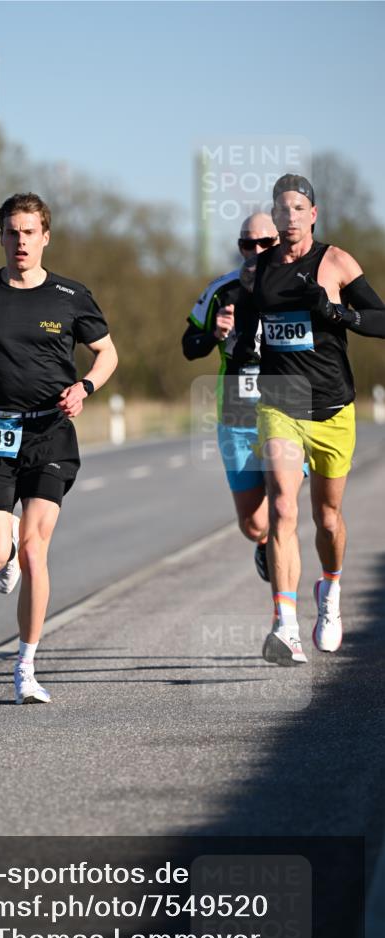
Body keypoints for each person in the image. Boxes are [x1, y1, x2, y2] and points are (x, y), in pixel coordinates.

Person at [0, 192, 118, 703]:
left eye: (29, 232)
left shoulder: (70, 295)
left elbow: (106, 354)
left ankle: (25, 666)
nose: (20, 241)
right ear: (1, 236)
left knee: (37, 550)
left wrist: (84, 388)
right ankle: (5, 547)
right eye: (12, 232)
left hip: (49, 432)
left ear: (45, 237)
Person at [236, 174, 385, 665]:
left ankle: (332, 590)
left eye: (299, 208)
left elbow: (381, 320)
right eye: (283, 208)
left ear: (313, 214)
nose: (290, 216)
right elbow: (249, 331)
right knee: (282, 507)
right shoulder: (257, 272)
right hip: (280, 401)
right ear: (274, 216)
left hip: (333, 407)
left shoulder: (336, 261)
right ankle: (285, 625)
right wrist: (237, 347)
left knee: (327, 518)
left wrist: (339, 314)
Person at [183, 213, 280, 581]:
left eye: (264, 243)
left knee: (284, 503)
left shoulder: (298, 286)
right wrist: (215, 335)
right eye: (246, 243)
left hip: (286, 406)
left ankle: (286, 601)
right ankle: (265, 541)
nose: (255, 250)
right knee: (255, 523)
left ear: (279, 241)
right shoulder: (221, 290)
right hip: (238, 413)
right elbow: (188, 347)